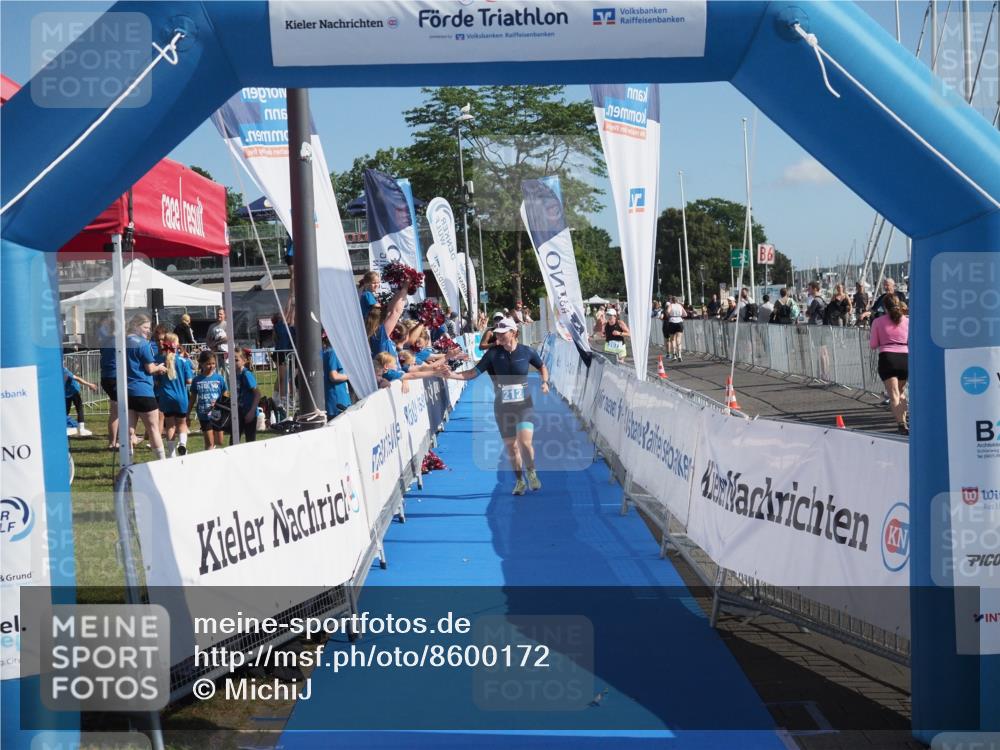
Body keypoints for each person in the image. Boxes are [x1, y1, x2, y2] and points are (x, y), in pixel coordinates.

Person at [446, 318, 549, 496]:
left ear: (514, 332)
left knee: (525, 442)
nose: (499, 336)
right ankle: (519, 481)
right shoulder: (493, 354)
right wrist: (451, 375)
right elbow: (472, 373)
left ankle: (531, 471)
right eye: (498, 333)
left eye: (503, 333)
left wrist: (545, 382)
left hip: (524, 404)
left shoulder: (527, 351)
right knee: (512, 447)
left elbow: (542, 367)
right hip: (502, 406)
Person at [125, 314, 168, 460]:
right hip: (143, 390)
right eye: (145, 327)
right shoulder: (143, 343)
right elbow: (150, 369)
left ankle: (128, 463)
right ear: (136, 326)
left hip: (127, 391)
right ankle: (162, 461)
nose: (148, 331)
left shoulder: (122, 342)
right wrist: (160, 367)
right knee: (154, 429)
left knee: (129, 431)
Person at [869, 294, 909, 434]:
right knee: (902, 392)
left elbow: (873, 344)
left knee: (894, 394)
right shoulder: (907, 321)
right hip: (905, 358)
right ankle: (904, 420)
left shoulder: (878, 322)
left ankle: (901, 424)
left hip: (888, 358)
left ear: (884, 307)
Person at [154, 333, 194, 457]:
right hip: (181, 396)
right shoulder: (183, 361)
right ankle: (182, 444)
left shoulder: (159, 360)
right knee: (182, 423)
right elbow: (189, 381)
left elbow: (155, 380)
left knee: (170, 425)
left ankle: (171, 453)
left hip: (166, 396)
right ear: (176, 344)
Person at [190, 350, 227, 450]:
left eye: (213, 363)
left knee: (219, 441)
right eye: (208, 364)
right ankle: (209, 456)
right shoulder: (196, 380)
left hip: (217, 413)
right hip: (204, 414)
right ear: (201, 364)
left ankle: (212, 449)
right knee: (209, 443)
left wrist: (221, 404)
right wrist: (187, 413)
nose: (211, 366)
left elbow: (225, 394)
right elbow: (193, 397)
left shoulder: (219, 378)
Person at [230, 348, 261, 444]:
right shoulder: (234, 374)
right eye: (231, 360)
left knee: (250, 441)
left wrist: (252, 412)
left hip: (249, 412)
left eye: (236, 360)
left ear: (244, 361)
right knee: (233, 440)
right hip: (239, 411)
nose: (234, 362)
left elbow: (257, 393)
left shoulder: (246, 374)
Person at [367, 286, 408, 358]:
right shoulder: (379, 335)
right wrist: (406, 285)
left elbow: (391, 311)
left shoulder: (377, 334)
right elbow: (395, 312)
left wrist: (401, 287)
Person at [322, 332, 351, 420]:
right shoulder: (333, 352)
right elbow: (333, 376)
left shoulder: (326, 352)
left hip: (336, 399)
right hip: (337, 400)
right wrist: (351, 376)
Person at [64, 364, 97, 437]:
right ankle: (67, 427)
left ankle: (81, 429)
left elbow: (77, 379)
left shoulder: (63, 371)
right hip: (66, 393)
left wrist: (89, 384)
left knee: (79, 409)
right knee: (66, 411)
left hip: (74, 391)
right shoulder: (62, 371)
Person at [662, 296, 686, 362]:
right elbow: (685, 314)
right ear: (677, 300)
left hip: (672, 321)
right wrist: (680, 316)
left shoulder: (671, 305)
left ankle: (674, 355)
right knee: (679, 339)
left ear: (672, 301)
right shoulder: (680, 306)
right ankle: (680, 355)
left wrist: (669, 315)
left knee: (672, 340)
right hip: (680, 322)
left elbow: (667, 312)